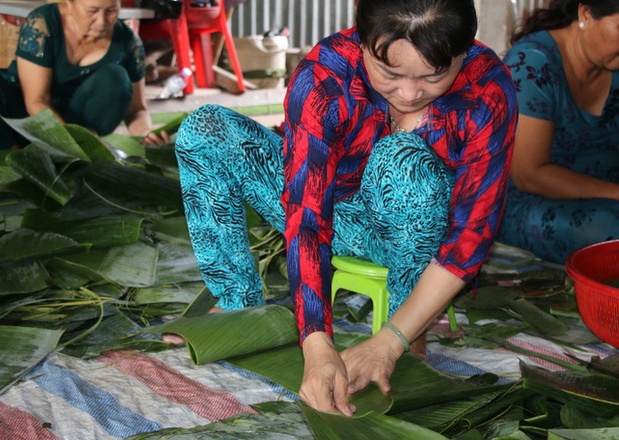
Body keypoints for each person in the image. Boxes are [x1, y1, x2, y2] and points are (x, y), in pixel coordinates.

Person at [172, 0, 517, 416]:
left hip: (421, 234)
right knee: (205, 130)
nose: (409, 94)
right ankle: (236, 300)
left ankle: (410, 327)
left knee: (401, 160)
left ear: (465, 52)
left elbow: (470, 238)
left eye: (434, 76)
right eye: (389, 73)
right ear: (362, 39)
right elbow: (307, 215)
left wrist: (390, 340)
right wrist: (316, 342)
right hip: (336, 212)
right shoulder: (324, 76)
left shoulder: (488, 90)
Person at [496, 0, 619, 263]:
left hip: (607, 196)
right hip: (530, 202)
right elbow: (530, 174)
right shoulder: (532, 64)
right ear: (586, 13)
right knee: (608, 232)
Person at [0, 0, 168, 150]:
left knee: (116, 78)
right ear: (69, 3)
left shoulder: (129, 43)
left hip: (81, 124)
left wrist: (147, 133)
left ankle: (73, 155)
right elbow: (37, 101)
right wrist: (72, 142)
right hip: (26, 118)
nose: (102, 21)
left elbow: (137, 110)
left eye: (112, 10)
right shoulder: (42, 24)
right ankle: (11, 153)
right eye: (92, 10)